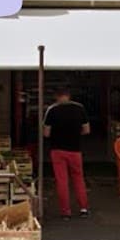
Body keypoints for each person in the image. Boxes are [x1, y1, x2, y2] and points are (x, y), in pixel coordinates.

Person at [43, 87, 91, 221]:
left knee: (62, 181)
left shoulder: (52, 110)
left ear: (56, 96)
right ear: (69, 96)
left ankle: (66, 212)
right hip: (75, 150)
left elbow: (46, 133)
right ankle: (83, 208)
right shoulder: (80, 108)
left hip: (57, 150)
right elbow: (87, 130)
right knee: (78, 178)